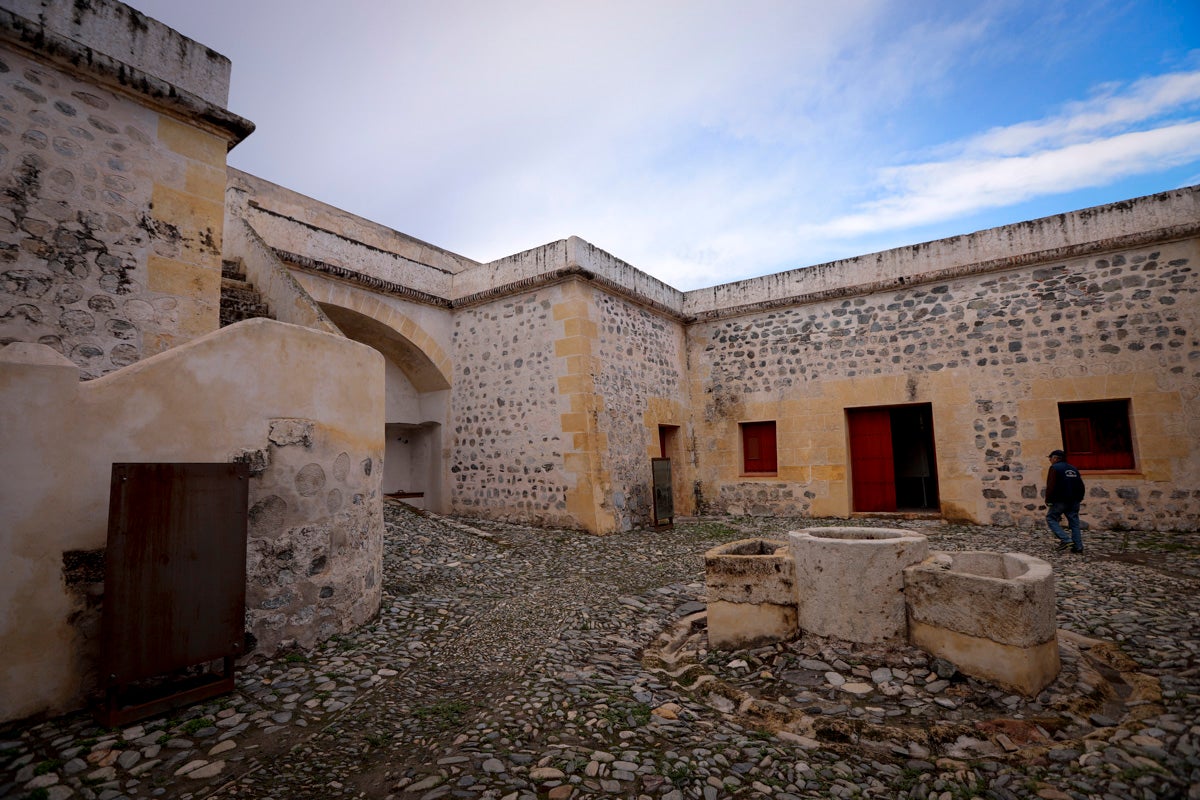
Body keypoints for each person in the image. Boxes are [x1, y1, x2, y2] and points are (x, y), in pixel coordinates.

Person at [1045, 449, 1085, 553]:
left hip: (1060, 500)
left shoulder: (1055, 468)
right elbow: (1081, 485)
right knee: (1074, 523)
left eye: (1050, 458)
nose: (1050, 460)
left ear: (1055, 458)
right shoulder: (1073, 468)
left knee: (1051, 518)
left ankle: (1066, 540)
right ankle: (1078, 547)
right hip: (1074, 500)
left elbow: (1051, 486)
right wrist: (1080, 498)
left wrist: (1048, 500)